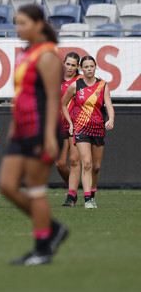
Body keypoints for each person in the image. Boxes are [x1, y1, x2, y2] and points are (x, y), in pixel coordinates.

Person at [0, 5, 69, 266]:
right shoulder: (26, 53)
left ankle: (42, 248)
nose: (19, 28)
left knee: (36, 190)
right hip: (22, 129)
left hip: (41, 130)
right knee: (6, 186)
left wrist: (51, 135)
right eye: (17, 23)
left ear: (39, 24)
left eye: (23, 23)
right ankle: (53, 229)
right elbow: (22, 95)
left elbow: (53, 97)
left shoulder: (48, 55)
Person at [62, 55, 115, 209]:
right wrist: (71, 123)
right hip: (81, 129)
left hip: (98, 128)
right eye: (86, 67)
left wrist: (110, 119)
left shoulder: (103, 85)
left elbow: (109, 105)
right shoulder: (75, 85)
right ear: (81, 69)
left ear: (95, 67)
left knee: (96, 167)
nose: (89, 69)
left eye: (91, 66)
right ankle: (88, 200)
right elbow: (63, 104)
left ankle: (92, 191)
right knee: (86, 163)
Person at [57, 52, 83, 207]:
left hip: (76, 125)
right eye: (68, 64)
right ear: (64, 63)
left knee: (74, 161)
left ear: (78, 66)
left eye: (73, 65)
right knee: (59, 163)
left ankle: (71, 196)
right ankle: (72, 185)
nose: (70, 67)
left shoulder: (81, 81)